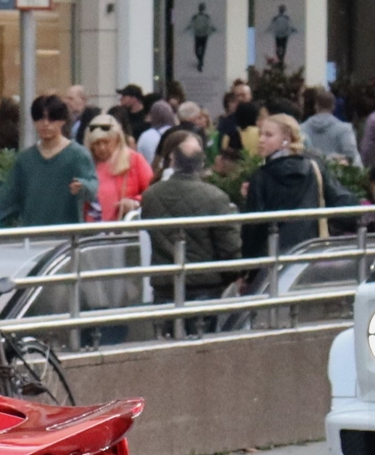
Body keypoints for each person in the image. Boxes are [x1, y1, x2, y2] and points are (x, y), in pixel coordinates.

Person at [142, 129, 241, 325]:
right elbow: (229, 247)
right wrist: (231, 276)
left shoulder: (150, 195)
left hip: (164, 286)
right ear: (201, 162)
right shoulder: (215, 197)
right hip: (204, 285)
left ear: (172, 159)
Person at [243, 111, 341, 265]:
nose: (261, 140)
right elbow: (339, 201)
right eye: (260, 134)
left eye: (268, 135)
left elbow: (253, 227)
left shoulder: (262, 175)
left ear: (286, 140)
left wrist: (246, 267)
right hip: (310, 251)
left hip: (273, 256)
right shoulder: (313, 167)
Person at [0, 93, 101, 227]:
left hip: (68, 237)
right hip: (32, 237)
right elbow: (7, 199)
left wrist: (83, 186)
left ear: (62, 121)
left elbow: (93, 186)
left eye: (52, 119)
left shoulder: (78, 155)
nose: (45, 124)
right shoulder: (25, 159)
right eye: (40, 118)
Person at [83, 113, 151, 222]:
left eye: (106, 142)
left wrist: (134, 202)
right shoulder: (86, 164)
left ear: (117, 140)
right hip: (91, 231)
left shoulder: (135, 160)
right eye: (96, 143)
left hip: (123, 229)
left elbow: (152, 192)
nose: (102, 147)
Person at [303, 87, 355, 160]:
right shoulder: (345, 129)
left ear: (315, 106)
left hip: (309, 169)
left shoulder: (301, 128)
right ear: (333, 107)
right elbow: (351, 155)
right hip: (335, 170)